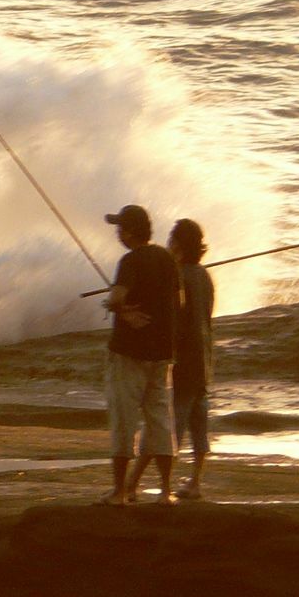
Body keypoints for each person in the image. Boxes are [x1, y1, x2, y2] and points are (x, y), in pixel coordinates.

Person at [100, 203, 179, 504]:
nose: (118, 233)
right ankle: (166, 491)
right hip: (161, 352)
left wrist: (119, 308)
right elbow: (178, 303)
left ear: (130, 232)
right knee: (160, 420)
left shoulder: (130, 261)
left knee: (124, 420)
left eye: (120, 228)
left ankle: (120, 491)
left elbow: (117, 298)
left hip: (129, 353)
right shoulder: (167, 259)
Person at [168, 217, 214, 500]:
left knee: (176, 423)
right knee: (199, 421)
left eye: (172, 239)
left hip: (185, 360)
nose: (168, 244)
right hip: (205, 358)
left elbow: (175, 318)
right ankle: (195, 481)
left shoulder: (180, 277)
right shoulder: (205, 276)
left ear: (180, 246)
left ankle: (166, 483)